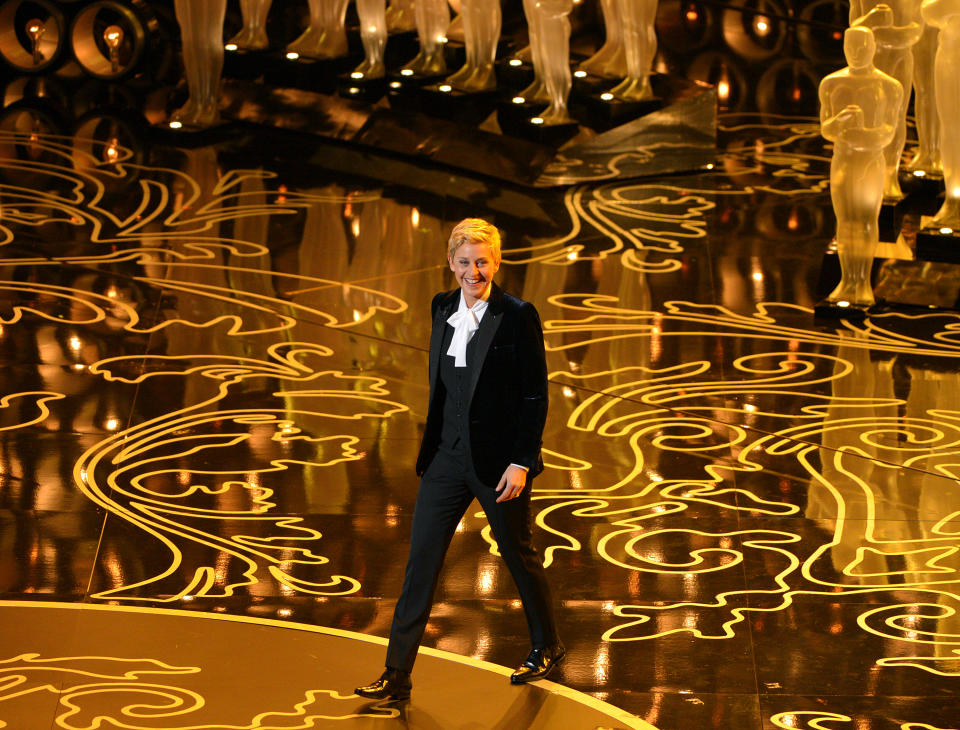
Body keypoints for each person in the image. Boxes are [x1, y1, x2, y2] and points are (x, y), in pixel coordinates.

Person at [354, 218, 563, 700]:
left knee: (517, 553)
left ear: (497, 261)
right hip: (446, 457)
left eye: (482, 261)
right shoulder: (442, 306)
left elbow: (534, 396)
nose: (474, 271)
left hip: (498, 464)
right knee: (420, 564)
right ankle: (397, 674)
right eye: (465, 262)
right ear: (450, 263)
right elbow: (445, 385)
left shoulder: (517, 314)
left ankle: (547, 645)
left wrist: (522, 461)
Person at [818, 25, 902, 306]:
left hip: (869, 161)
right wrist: (841, 122)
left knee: (865, 219)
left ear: (873, 48)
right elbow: (826, 130)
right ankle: (846, 279)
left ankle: (862, 281)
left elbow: (889, 131)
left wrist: (860, 135)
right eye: (851, 47)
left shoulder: (889, 86)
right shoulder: (831, 83)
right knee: (844, 221)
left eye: (863, 47)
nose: (856, 53)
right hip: (843, 159)